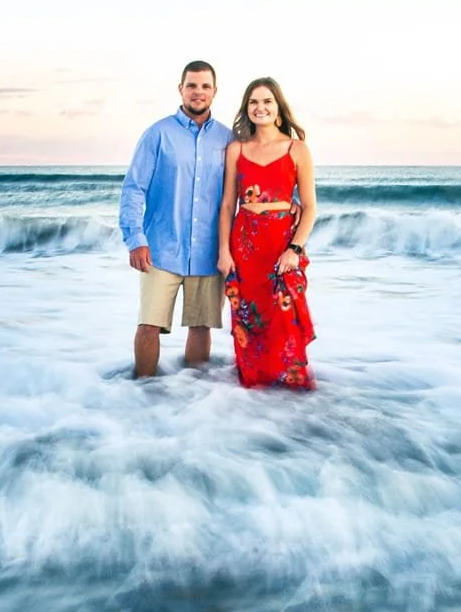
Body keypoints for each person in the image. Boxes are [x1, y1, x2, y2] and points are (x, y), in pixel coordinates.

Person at [120, 61, 234, 378]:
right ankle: (143, 392)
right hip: (160, 249)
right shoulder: (158, 134)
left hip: (209, 252)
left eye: (205, 86)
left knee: (201, 326)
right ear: (181, 88)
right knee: (149, 324)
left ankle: (191, 396)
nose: (198, 92)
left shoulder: (228, 139)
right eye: (192, 85)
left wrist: (291, 201)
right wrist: (136, 239)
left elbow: (257, 178)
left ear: (215, 91)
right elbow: (133, 189)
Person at [216, 78, 318, 390]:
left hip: (281, 246)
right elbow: (227, 205)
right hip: (245, 247)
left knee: (284, 319)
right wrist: (224, 251)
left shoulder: (297, 149)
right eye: (254, 103)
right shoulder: (236, 149)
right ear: (246, 110)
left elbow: (311, 207)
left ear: (278, 108)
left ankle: (291, 390)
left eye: (267, 102)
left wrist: (294, 249)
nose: (260, 108)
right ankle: (255, 387)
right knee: (248, 320)